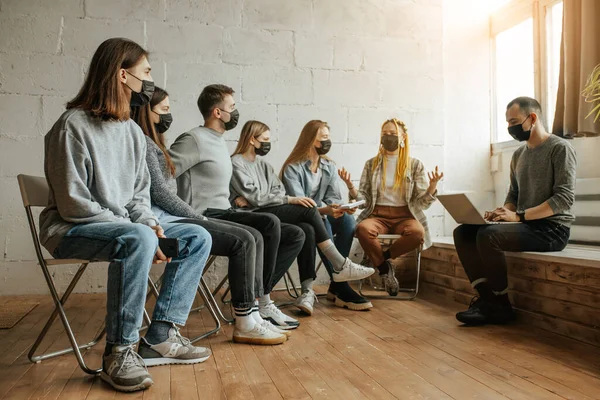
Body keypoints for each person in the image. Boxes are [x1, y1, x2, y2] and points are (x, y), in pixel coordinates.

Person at [39, 38, 213, 393]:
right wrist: (141, 232)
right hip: (70, 229)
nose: (150, 81)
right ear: (122, 75)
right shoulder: (71, 126)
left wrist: (149, 223)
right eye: (146, 72)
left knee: (198, 237)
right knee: (139, 238)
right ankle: (119, 352)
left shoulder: (132, 132)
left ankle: (160, 335)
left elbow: (137, 197)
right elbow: (73, 205)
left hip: (124, 230)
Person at [131, 87, 287, 345]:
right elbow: (161, 190)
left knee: (262, 231)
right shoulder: (181, 141)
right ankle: (246, 317)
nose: (169, 115)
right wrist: (194, 215)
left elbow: (165, 184)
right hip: (179, 218)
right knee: (247, 238)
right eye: (165, 110)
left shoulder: (157, 144)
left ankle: (255, 309)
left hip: (188, 214)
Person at [169, 84, 304, 330]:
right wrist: (177, 210)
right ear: (217, 112)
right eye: (232, 107)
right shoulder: (193, 139)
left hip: (224, 211)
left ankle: (262, 301)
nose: (236, 112)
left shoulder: (219, 141)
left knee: (294, 233)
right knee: (266, 225)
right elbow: (163, 174)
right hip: (203, 215)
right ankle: (256, 305)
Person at [229, 120, 376, 315]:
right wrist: (260, 199)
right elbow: (277, 198)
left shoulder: (264, 165)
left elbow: (274, 191)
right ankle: (339, 266)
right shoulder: (237, 163)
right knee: (309, 213)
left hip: (285, 212)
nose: (267, 143)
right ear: (251, 139)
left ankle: (311, 288)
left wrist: (259, 198)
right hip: (259, 215)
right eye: (264, 139)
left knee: (314, 227)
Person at [454, 97, 576, 325]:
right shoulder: (519, 155)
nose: (510, 128)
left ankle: (501, 306)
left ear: (532, 118)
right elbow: (513, 196)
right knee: (463, 233)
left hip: (553, 230)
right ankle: (488, 300)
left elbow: (563, 199)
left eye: (514, 121)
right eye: (507, 123)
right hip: (527, 225)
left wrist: (518, 216)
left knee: (488, 236)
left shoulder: (560, 148)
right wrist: (502, 212)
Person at [280, 120, 373, 311]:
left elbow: (333, 197)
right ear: (310, 139)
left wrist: (342, 208)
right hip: (301, 217)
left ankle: (338, 282)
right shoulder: (292, 168)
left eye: (328, 138)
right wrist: (326, 211)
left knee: (347, 220)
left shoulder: (329, 166)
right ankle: (340, 285)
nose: (327, 142)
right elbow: (301, 205)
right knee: (322, 222)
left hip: (321, 214)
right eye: (323, 138)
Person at [350, 118, 442, 296]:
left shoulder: (415, 165)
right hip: (377, 215)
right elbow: (365, 199)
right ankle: (386, 270)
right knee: (362, 229)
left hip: (405, 216)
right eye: (385, 134)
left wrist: (432, 187)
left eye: (393, 134)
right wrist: (350, 188)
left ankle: (381, 260)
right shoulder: (372, 164)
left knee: (417, 233)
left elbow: (422, 203)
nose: (388, 137)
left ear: (403, 137)